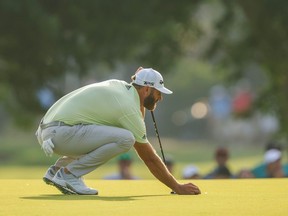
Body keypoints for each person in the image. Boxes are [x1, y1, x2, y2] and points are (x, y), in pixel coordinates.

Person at [35, 67, 201, 195]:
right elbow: (149, 158)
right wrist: (177, 187)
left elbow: (137, 120)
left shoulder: (121, 89)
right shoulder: (128, 108)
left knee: (118, 134)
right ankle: (69, 174)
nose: (160, 97)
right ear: (146, 90)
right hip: (62, 132)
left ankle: (57, 170)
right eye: (158, 92)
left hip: (50, 131)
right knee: (126, 139)